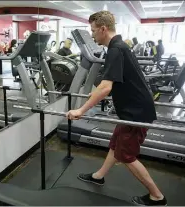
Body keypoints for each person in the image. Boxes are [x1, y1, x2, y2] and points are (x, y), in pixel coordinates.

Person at [65, 11, 167, 206]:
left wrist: (80, 110)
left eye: (94, 31)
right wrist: (96, 95)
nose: (92, 35)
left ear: (103, 29)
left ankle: (157, 196)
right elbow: (119, 82)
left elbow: (105, 87)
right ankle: (98, 176)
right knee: (116, 143)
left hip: (135, 113)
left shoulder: (116, 49)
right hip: (131, 109)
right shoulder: (118, 46)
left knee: (126, 155)